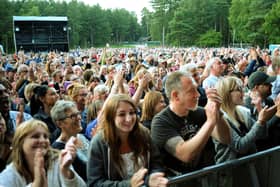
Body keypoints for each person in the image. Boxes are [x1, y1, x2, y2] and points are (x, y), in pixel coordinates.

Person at [151, 71, 230, 177]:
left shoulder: (199, 112)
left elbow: (225, 138)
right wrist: (210, 122)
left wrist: (217, 113)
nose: (198, 94)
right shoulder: (161, 122)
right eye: (191, 91)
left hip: (206, 178)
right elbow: (185, 154)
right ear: (175, 96)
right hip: (180, 181)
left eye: (197, 89)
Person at [87, 94, 168, 187]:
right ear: (111, 117)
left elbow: (156, 162)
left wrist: (154, 176)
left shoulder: (144, 133)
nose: (129, 119)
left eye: (132, 112)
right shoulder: (99, 143)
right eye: (122, 114)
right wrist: (129, 184)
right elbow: (95, 183)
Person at [0, 119, 86, 187]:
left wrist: (66, 172)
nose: (42, 140)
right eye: (35, 136)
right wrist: (37, 183)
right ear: (20, 142)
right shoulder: (10, 174)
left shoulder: (58, 161)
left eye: (45, 136)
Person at [214, 76, 275, 163]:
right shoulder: (220, 118)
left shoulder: (243, 112)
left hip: (250, 166)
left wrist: (259, 110)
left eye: (242, 88)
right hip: (231, 171)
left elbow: (263, 135)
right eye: (239, 89)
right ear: (227, 93)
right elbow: (240, 146)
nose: (243, 92)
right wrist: (260, 121)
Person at [51, 100, 89, 181]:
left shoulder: (82, 137)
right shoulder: (58, 149)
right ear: (60, 124)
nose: (79, 118)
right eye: (73, 116)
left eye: (78, 113)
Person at [245, 71, 280, 150]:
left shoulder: (269, 100)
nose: (271, 85)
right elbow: (260, 131)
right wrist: (277, 115)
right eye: (267, 84)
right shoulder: (247, 106)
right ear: (256, 87)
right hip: (262, 150)